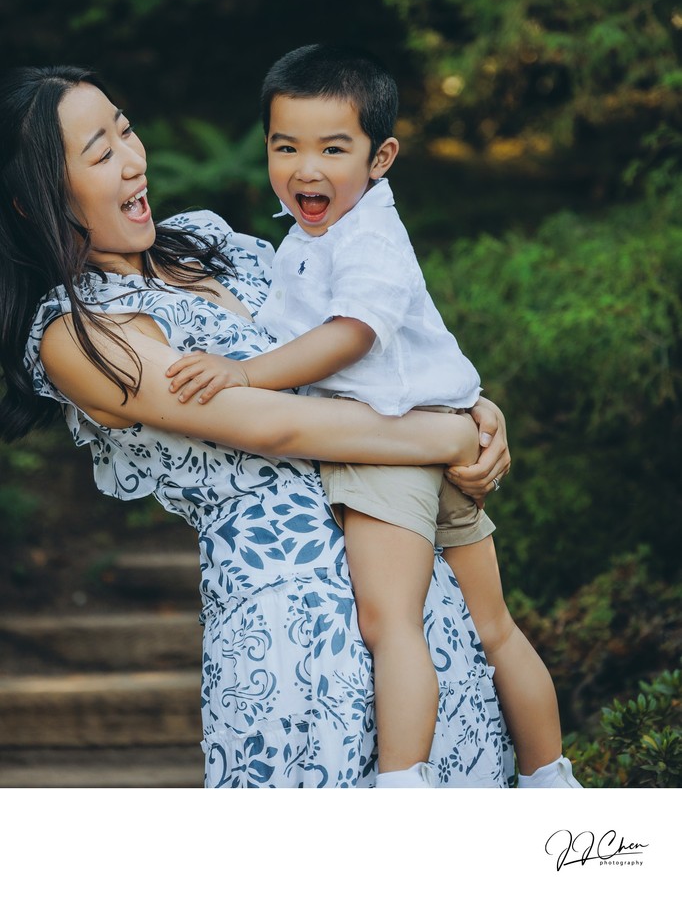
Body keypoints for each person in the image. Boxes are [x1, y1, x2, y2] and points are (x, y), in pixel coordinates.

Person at [0, 63, 515, 788]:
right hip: (293, 619)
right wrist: (449, 436)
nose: (134, 158)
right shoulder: (80, 336)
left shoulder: (209, 243)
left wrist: (471, 403)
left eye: (126, 130)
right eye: (100, 152)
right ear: (33, 200)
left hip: (402, 568)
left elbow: (360, 336)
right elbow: (276, 425)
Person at [165, 44, 582, 789]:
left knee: (391, 626)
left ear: (380, 157)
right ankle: (551, 777)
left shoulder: (367, 237)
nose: (306, 169)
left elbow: (352, 333)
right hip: (437, 430)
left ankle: (400, 783)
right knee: (493, 626)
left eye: (334, 149)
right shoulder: (319, 232)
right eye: (285, 146)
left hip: (384, 445)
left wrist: (247, 373)